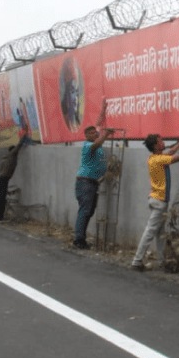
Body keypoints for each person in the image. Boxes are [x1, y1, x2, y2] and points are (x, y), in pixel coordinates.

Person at [130, 130, 179, 271]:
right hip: (159, 202)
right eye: (161, 141)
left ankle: (162, 261)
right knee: (150, 232)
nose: (163, 142)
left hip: (155, 200)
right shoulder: (159, 160)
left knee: (159, 234)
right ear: (156, 146)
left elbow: (171, 152)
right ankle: (137, 260)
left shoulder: (154, 158)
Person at [73, 100, 113, 249]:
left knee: (89, 210)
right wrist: (106, 135)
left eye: (94, 132)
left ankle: (80, 237)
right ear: (86, 136)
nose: (94, 133)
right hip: (85, 183)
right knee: (85, 210)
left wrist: (103, 109)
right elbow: (97, 144)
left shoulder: (95, 138)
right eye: (90, 133)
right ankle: (79, 239)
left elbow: (98, 123)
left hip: (92, 182)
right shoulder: (88, 145)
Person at [0, 133, 28, 222]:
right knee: (1, 199)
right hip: (2, 179)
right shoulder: (12, 155)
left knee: (2, 199)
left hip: (0, 179)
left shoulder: (6, 158)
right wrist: (24, 136)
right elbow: (18, 146)